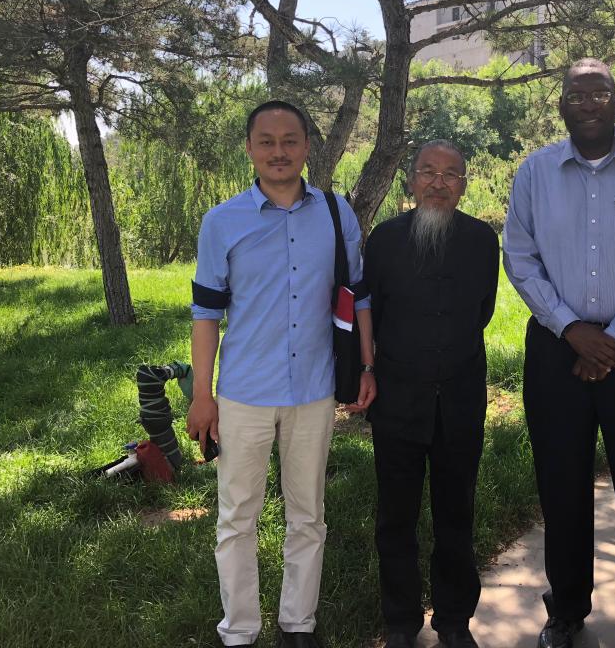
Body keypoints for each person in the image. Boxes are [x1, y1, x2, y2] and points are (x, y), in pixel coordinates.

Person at [503, 58, 615, 648]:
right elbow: (519, 256)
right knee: (560, 482)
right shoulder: (534, 172)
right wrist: (570, 329)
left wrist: (614, 339)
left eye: (599, 92)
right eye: (576, 94)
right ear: (561, 103)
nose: (587, 102)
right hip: (557, 349)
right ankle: (566, 609)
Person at [187, 100, 376, 648]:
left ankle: (298, 625)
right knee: (236, 518)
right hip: (244, 392)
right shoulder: (222, 222)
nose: (278, 151)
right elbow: (206, 314)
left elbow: (358, 296)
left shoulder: (337, 214)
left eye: (289, 140)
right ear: (249, 148)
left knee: (308, 515)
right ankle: (239, 631)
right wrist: (202, 395)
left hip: (313, 390)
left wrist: (367, 366)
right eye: (266, 141)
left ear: (307, 146)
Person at [363, 140, 500, 648]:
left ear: (463, 184)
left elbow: (483, 311)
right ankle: (401, 623)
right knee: (395, 518)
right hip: (397, 399)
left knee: (456, 516)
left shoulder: (483, 241)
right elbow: (371, 314)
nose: (438, 183)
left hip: (460, 398)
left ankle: (454, 620)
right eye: (428, 172)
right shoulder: (383, 240)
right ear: (411, 179)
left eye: (451, 174)